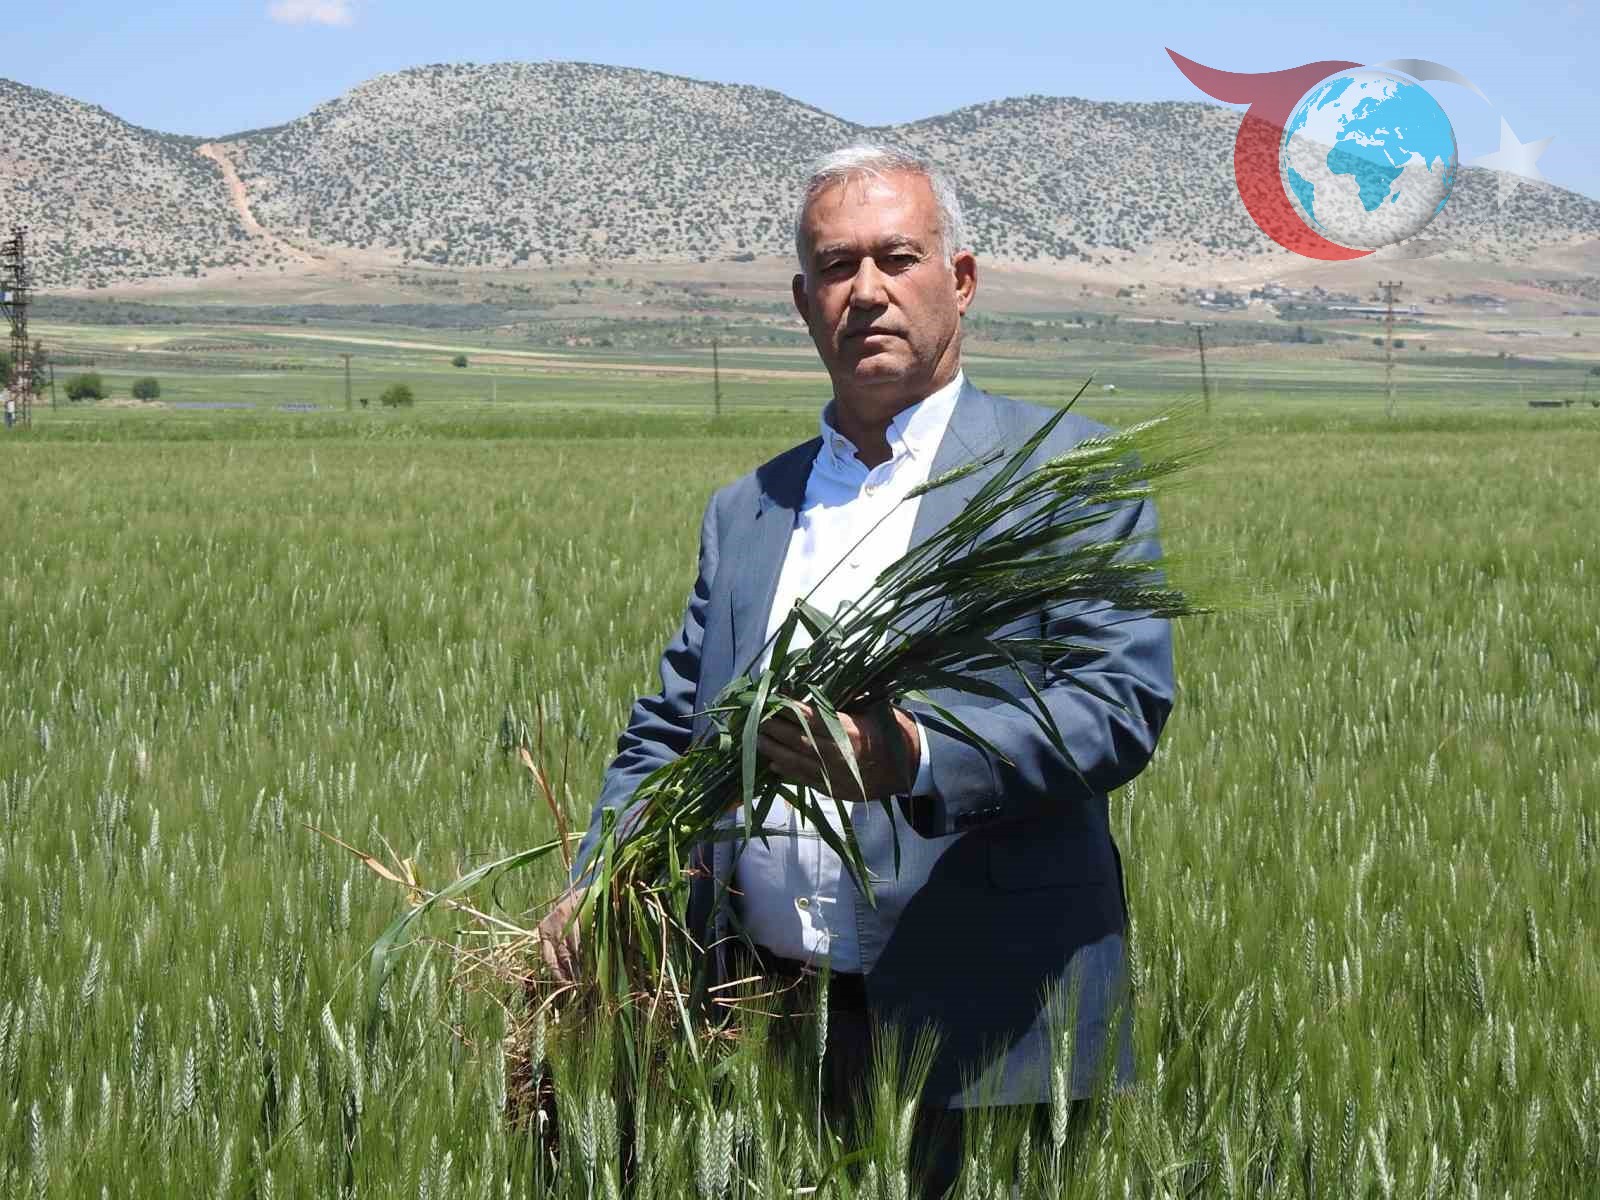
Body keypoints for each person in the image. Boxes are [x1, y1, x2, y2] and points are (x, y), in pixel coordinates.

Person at [544, 144, 1175, 1195]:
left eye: (897, 257)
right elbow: (671, 726)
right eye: (836, 267)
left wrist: (914, 754)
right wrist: (601, 873)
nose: (866, 291)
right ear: (805, 302)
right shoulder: (749, 508)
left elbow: (1117, 707)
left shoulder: (1062, 477)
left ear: (959, 280)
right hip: (764, 1019)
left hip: (990, 1028)